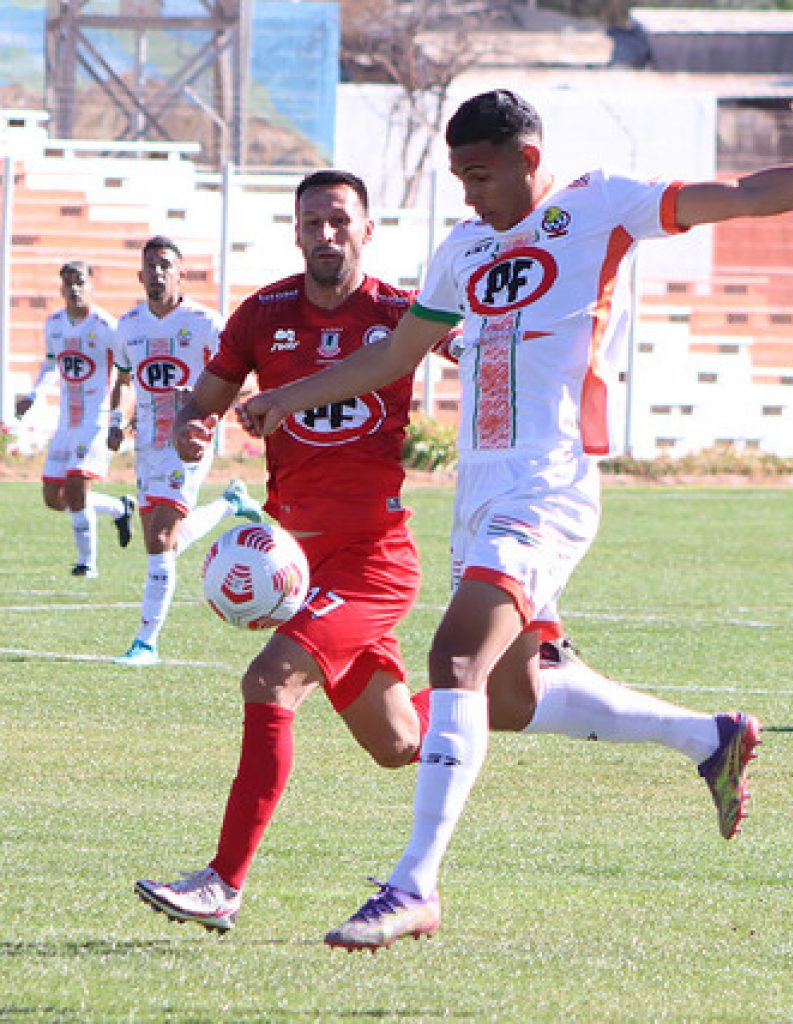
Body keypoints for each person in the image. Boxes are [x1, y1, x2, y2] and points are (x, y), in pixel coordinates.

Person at [238, 90, 793, 951]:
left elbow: (747, 193)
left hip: (549, 485)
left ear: (529, 160)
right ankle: (709, 737)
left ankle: (413, 885)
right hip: (480, 495)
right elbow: (393, 354)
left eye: (480, 175)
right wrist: (287, 398)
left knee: (454, 658)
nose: (469, 194)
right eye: (459, 178)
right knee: (510, 697)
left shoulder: (598, 206)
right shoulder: (462, 249)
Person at [134, 169, 754, 935]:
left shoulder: (401, 313)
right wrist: (191, 427)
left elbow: (492, 344)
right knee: (402, 742)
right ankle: (701, 735)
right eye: (312, 222)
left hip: (372, 563)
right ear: (294, 232)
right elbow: (202, 402)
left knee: (270, 681)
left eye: (339, 221)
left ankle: (223, 883)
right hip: (300, 558)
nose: (326, 235)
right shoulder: (261, 315)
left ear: (367, 230)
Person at [110, 235, 263, 667]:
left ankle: (146, 642)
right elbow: (124, 381)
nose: (157, 273)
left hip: (190, 440)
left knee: (160, 538)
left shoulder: (206, 323)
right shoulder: (129, 326)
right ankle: (230, 503)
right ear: (140, 275)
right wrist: (117, 420)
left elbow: (246, 380)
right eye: (151, 266)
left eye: (166, 266)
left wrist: (198, 396)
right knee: (165, 542)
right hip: (147, 445)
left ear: (181, 273)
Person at [15, 260, 135, 577]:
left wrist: (119, 418)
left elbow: (126, 373)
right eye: (68, 282)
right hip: (67, 422)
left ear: (92, 285)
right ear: (61, 288)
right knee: (54, 498)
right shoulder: (54, 324)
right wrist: (34, 395)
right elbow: (51, 364)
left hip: (95, 420)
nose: (74, 288)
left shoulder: (106, 326)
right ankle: (119, 508)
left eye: (80, 281)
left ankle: (87, 564)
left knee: (77, 487)